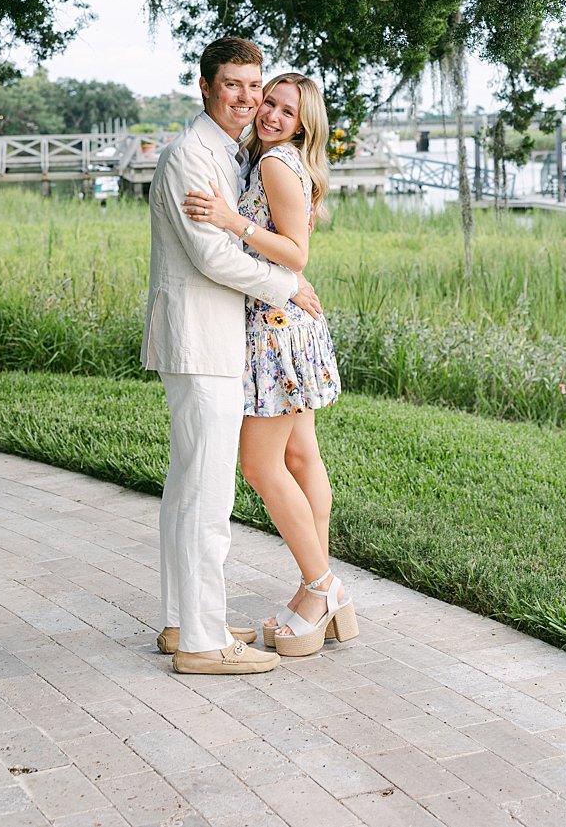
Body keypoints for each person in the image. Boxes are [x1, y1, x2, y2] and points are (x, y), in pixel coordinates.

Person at [143, 37, 323, 676]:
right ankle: (202, 642)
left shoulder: (230, 152)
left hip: (218, 338)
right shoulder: (192, 156)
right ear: (206, 87)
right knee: (206, 493)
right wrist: (289, 286)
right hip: (203, 338)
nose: (248, 100)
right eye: (234, 86)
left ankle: (183, 619)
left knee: (188, 486)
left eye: (257, 87)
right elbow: (211, 255)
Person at [184, 71, 355, 658]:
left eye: (287, 110)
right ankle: (324, 595)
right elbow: (293, 254)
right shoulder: (272, 160)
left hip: (278, 331)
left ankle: (321, 586)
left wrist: (234, 223)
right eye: (269, 101)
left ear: (303, 124)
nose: (271, 114)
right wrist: (289, 277)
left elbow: (295, 251)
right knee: (301, 457)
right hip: (287, 321)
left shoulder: (278, 163)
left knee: (260, 466)